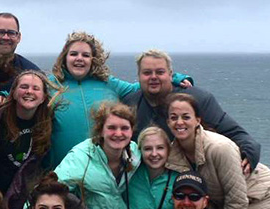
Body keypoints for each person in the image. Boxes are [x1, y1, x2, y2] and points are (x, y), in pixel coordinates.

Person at [46, 33, 192, 169]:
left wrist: (175, 78)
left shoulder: (108, 83)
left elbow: (143, 85)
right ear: (64, 57)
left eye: (86, 55)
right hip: (62, 168)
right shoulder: (50, 85)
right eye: (73, 54)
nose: (79, 58)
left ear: (93, 59)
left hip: (106, 169)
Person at [123, 49, 260, 175]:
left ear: (171, 75)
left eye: (160, 72)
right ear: (139, 76)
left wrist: (249, 151)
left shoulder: (197, 100)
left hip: (195, 182)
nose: (153, 77)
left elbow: (232, 131)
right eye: (147, 73)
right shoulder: (130, 104)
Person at [54, 102, 140, 209]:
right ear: (100, 130)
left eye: (124, 128)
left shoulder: (135, 153)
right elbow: (48, 188)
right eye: (111, 128)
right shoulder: (81, 157)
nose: (118, 134)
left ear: (132, 132)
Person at [0, 69, 55, 209]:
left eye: (36, 88)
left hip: (24, 194)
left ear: (43, 97)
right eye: (24, 87)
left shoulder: (47, 122)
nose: (29, 91)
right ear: (14, 93)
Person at [127, 126, 177, 209]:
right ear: (140, 151)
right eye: (148, 149)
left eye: (160, 148)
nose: (154, 154)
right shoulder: (130, 176)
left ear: (168, 150)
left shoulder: (177, 178)